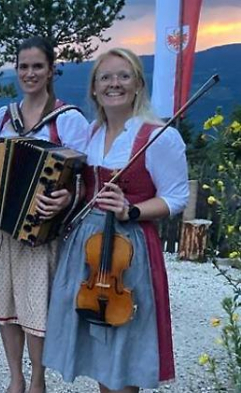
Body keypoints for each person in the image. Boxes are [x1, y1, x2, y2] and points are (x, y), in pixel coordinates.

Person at [42, 48, 189, 392]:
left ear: (138, 84)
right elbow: (85, 188)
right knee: (98, 347)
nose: (114, 84)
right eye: (105, 77)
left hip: (130, 250)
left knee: (125, 346)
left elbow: (176, 197)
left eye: (124, 76)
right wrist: (70, 197)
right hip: (87, 246)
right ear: (94, 88)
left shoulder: (158, 136)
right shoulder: (91, 132)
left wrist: (131, 210)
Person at [0, 37, 89, 393]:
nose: (29, 73)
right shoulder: (3, 117)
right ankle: (16, 378)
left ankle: (38, 379)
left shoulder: (68, 120)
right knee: (7, 305)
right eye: (23, 66)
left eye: (37, 66)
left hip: (43, 234)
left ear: (51, 69)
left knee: (35, 310)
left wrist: (67, 199)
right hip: (3, 232)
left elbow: (89, 179)